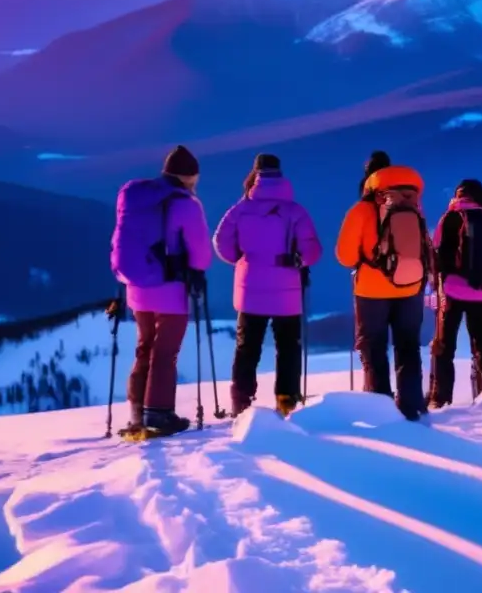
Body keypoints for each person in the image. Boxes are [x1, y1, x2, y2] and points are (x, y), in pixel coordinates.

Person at [110, 145, 213, 437]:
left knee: (144, 348)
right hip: (170, 288)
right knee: (165, 352)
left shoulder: (137, 198)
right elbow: (201, 255)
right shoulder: (185, 204)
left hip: (137, 287)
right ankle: (159, 413)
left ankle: (136, 413)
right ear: (190, 177)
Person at [213, 154, 323, 417]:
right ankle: (286, 401)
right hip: (287, 290)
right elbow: (313, 250)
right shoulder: (295, 211)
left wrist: (240, 259)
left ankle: (241, 402)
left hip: (250, 287)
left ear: (255, 175)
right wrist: (298, 259)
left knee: (247, 347)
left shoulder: (240, 209)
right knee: (288, 346)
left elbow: (220, 241)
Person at [336, 163, 431, 420]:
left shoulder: (361, 211)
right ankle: (412, 406)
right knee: (408, 346)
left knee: (373, 347)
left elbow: (345, 257)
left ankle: (380, 408)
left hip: (371, 291)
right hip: (411, 286)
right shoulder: (413, 205)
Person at [427, 179, 482, 408]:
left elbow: (434, 255)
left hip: (451, 293)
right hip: (481, 294)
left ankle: (440, 398)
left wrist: (440, 284)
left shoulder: (448, 218)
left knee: (445, 345)